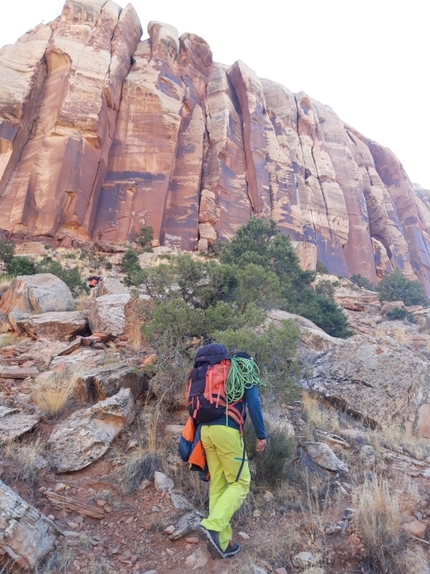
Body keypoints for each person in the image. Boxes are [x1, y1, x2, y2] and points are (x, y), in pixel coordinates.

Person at [197, 351, 266, 559]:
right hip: (227, 430)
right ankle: (213, 525)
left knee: (219, 485)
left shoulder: (217, 373)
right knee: (241, 483)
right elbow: (253, 403)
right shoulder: (245, 369)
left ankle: (223, 544)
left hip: (206, 431)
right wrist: (261, 435)